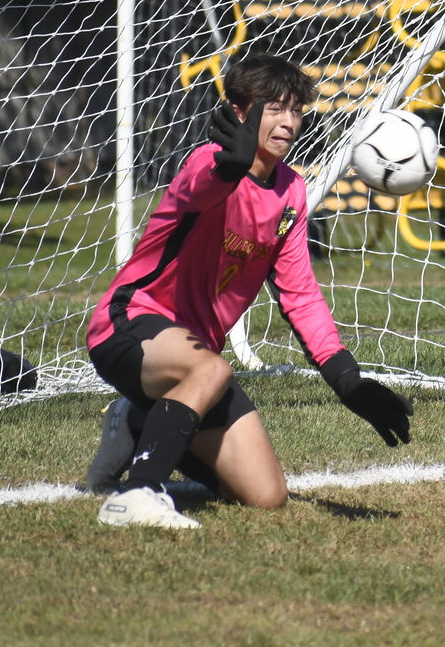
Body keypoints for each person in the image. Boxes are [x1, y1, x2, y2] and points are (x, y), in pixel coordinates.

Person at [84, 53, 414, 528]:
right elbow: (199, 189)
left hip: (195, 361)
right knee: (211, 368)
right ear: (240, 112)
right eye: (274, 108)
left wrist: (348, 380)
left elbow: (300, 295)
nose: (288, 122)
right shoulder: (207, 163)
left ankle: (135, 423)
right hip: (130, 323)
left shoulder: (292, 192)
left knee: (266, 495)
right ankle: (137, 494)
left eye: (296, 109)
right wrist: (228, 170)